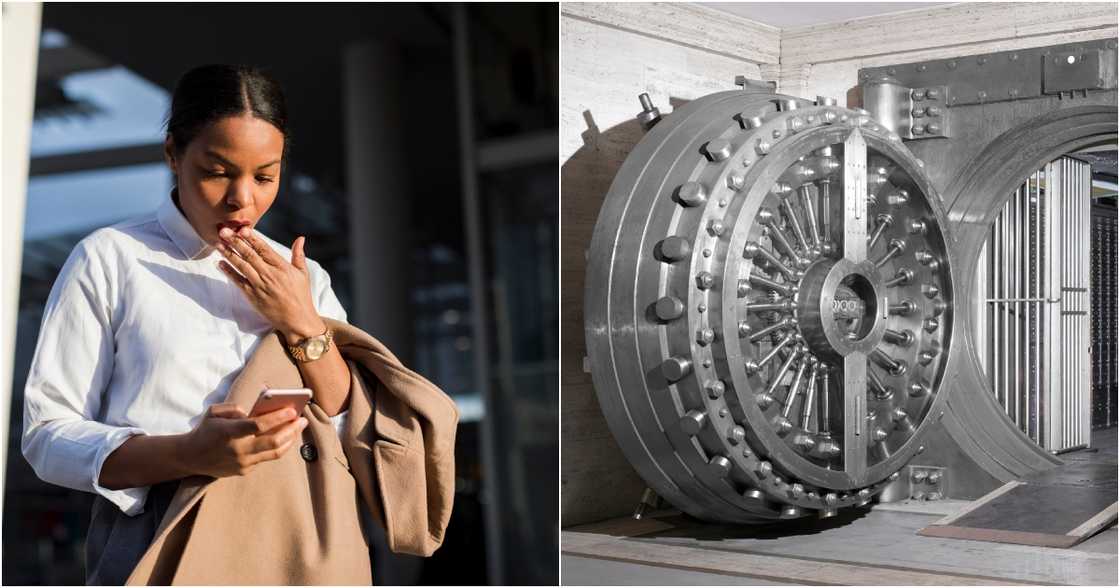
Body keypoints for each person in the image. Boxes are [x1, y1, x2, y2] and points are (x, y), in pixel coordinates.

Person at [20, 64, 354, 585]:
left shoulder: (303, 277)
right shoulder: (112, 259)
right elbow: (46, 436)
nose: (243, 198)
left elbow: (347, 421)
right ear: (173, 153)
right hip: (158, 529)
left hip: (291, 535)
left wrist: (301, 319)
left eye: (266, 176)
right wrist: (186, 453)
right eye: (218, 171)